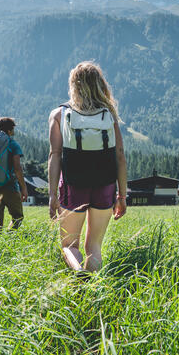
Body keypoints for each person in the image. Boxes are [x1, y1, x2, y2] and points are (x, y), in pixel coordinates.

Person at [48, 62, 127, 273]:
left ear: (74, 85)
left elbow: (55, 155)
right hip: (105, 186)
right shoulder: (109, 114)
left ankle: (79, 274)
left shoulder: (59, 114)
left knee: (68, 245)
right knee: (94, 246)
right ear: (100, 85)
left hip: (74, 185)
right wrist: (122, 196)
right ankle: (94, 293)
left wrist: (52, 194)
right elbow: (120, 156)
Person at [0, 117, 28, 230]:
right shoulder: (13, 144)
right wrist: (23, 188)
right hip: (9, 187)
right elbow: (17, 168)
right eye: (13, 129)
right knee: (18, 216)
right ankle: (10, 237)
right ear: (9, 131)